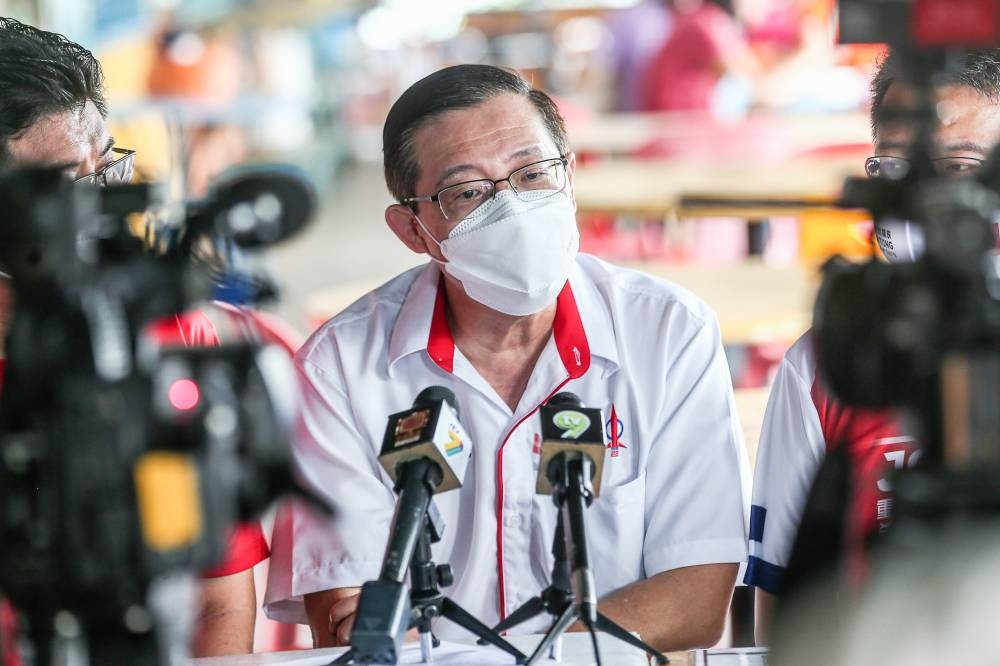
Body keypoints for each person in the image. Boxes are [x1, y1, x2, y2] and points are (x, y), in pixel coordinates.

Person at [263, 64, 750, 652]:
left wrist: (486, 657)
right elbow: (347, 620)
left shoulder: (668, 335)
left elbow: (696, 598)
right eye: (467, 192)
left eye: (533, 172)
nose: (513, 207)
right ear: (413, 230)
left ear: (569, 174)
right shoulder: (337, 370)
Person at [0, 17, 273, 657]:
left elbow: (217, 597)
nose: (100, 210)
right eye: (71, 184)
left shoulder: (163, 333)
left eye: (110, 168)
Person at [745, 47, 1000, 643]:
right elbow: (778, 589)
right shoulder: (829, 364)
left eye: (960, 166)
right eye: (896, 169)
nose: (923, 201)